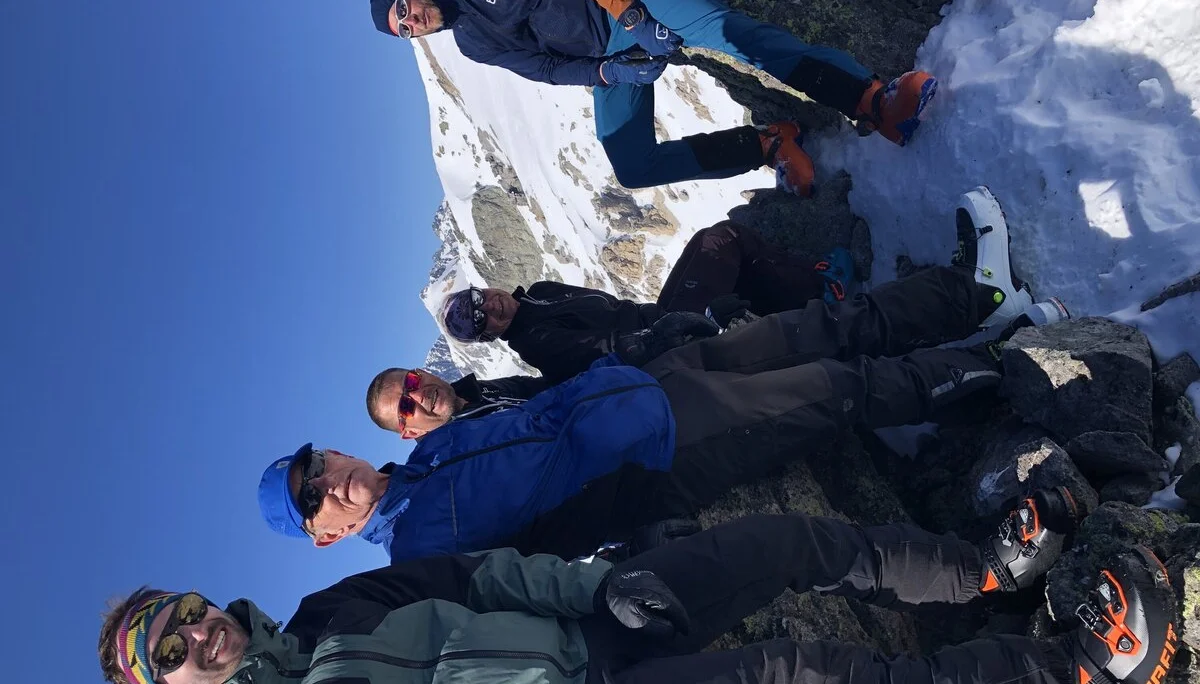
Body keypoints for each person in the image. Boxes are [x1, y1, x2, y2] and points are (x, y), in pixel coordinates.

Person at [260, 188, 1071, 563]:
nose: (326, 479)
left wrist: (643, 353)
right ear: (325, 533)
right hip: (671, 451)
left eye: (315, 464)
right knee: (840, 392)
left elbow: (549, 410)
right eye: (310, 498)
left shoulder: (432, 458)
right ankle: (1009, 362)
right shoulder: (420, 554)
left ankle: (978, 297)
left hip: (656, 382)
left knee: (819, 329)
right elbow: (536, 567)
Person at [99, 493, 1181, 684]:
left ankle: (988, 567)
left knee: (782, 541)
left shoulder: (330, 615)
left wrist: (595, 589)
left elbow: (478, 576)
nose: (195, 637)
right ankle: (1073, 669)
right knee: (817, 675)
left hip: (598, 619)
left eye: (181, 615)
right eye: (168, 654)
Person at [367, 0, 936, 196]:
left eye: (403, 10)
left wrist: (633, 15)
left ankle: (869, 101)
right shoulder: (470, 40)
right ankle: (768, 144)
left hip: (632, 6)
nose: (413, 21)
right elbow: (541, 65)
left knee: (733, 35)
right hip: (615, 55)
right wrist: (610, 75)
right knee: (631, 165)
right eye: (406, 29)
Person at [440, 221, 856, 385]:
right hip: (663, 334)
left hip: (655, 314)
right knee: (720, 242)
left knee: (713, 248)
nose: (490, 306)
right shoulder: (535, 340)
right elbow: (604, 353)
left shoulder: (538, 294)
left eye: (480, 299)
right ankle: (822, 289)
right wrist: (669, 332)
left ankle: (803, 296)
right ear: (489, 337)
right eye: (483, 321)